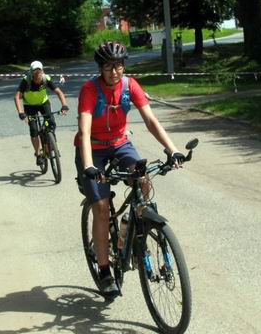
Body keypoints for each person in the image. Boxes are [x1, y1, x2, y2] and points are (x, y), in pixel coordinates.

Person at [75, 41, 186, 297]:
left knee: (144, 180)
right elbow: (85, 129)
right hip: (92, 149)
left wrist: (173, 149)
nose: (114, 72)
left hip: (120, 144)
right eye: (108, 67)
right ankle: (104, 271)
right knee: (101, 208)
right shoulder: (89, 90)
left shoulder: (130, 85)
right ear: (100, 68)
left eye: (118, 66)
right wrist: (90, 165)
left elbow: (150, 119)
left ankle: (129, 223)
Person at [15, 61, 68, 166]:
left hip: (44, 104)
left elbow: (58, 92)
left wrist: (64, 105)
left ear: (42, 71)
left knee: (51, 123)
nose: (38, 74)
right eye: (35, 71)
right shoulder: (26, 81)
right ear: (31, 72)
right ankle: (38, 154)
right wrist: (21, 113)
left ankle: (49, 145)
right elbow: (16, 97)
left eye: (39, 71)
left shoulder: (46, 78)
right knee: (34, 129)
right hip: (29, 107)